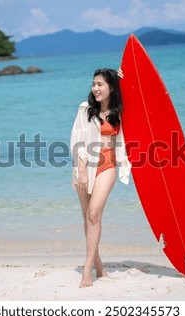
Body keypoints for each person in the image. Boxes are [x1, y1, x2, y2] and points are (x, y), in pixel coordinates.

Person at [70, 68, 131, 287]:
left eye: (100, 84)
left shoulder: (120, 111)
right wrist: (82, 169)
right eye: (94, 84)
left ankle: (87, 269)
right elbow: (77, 141)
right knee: (87, 216)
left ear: (111, 87)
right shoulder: (85, 109)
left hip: (108, 165)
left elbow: (141, 96)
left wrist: (128, 75)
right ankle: (98, 265)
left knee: (94, 213)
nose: (95, 88)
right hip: (85, 165)